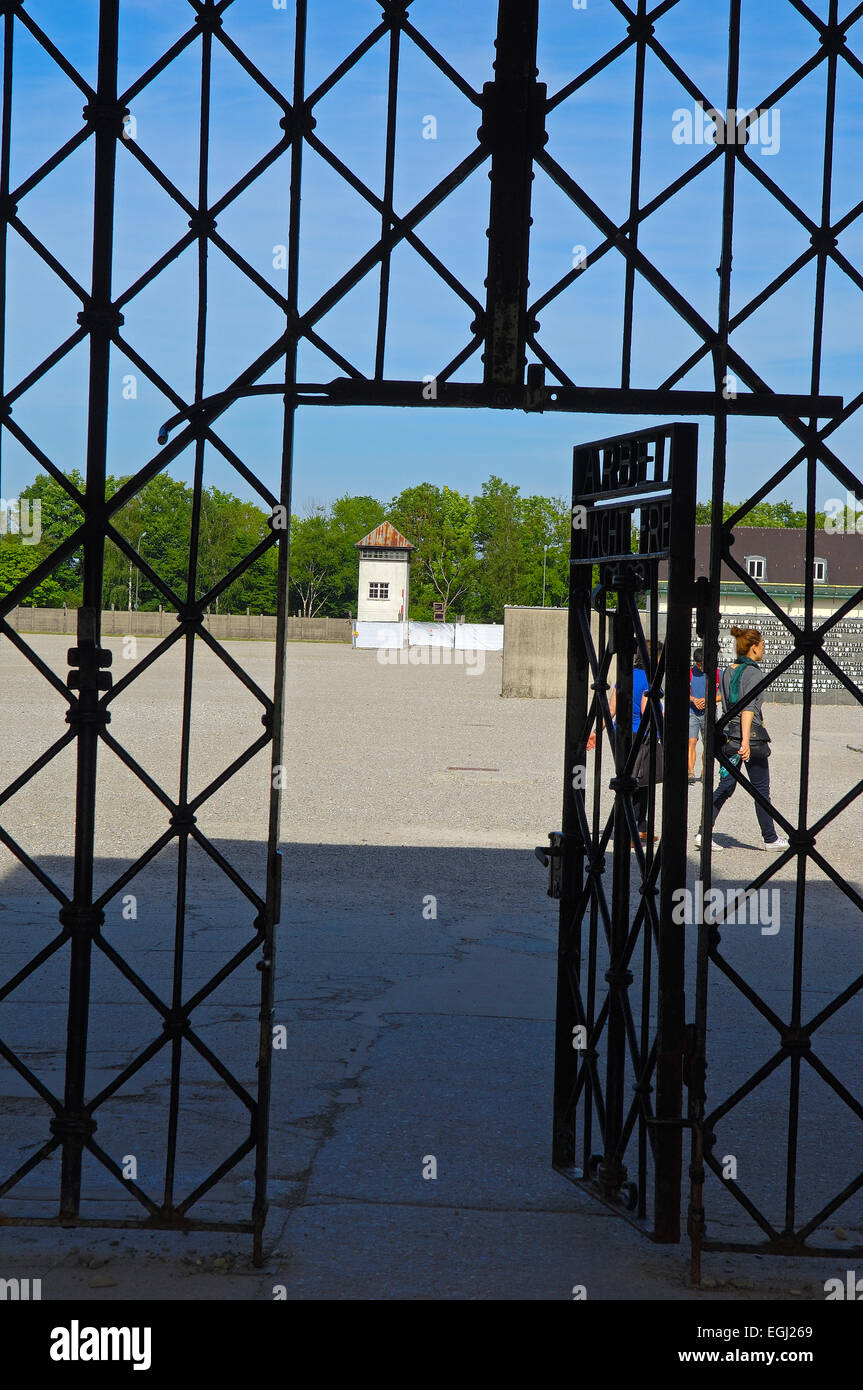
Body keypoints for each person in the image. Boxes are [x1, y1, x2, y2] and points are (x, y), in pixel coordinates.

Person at [695, 626, 790, 852]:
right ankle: (770, 838)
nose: (763, 649)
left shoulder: (729, 670)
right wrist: (746, 741)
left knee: (726, 786)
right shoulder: (753, 672)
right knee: (761, 789)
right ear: (753, 647)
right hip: (749, 738)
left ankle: (703, 833)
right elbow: (747, 708)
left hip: (729, 736)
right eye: (762, 645)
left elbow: (728, 702)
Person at [688, 646, 721, 783]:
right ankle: (690, 772)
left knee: (707, 743)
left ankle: (704, 771)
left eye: (702, 664)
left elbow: (722, 695)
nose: (700, 667)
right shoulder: (690, 673)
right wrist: (693, 700)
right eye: (698, 664)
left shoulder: (717, 673)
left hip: (709, 712)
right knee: (691, 741)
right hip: (692, 712)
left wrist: (708, 700)